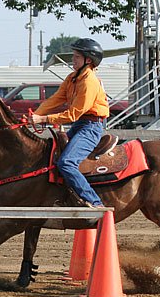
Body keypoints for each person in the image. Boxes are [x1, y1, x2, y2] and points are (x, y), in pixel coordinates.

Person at [30, 38, 109, 208]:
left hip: (91, 128)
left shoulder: (89, 82)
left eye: (77, 57)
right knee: (52, 158)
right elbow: (56, 99)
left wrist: (43, 119)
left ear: (88, 60)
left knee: (67, 162)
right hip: (81, 125)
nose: (73, 60)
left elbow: (73, 114)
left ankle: (95, 202)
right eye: (73, 56)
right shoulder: (73, 78)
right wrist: (36, 114)